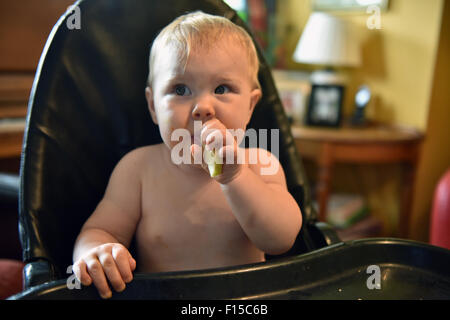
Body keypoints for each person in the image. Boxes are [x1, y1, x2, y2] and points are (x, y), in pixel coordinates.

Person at [72, 11, 302, 299]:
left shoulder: (260, 163)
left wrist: (236, 176)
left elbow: (281, 240)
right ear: (153, 106)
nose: (203, 107)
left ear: (250, 106)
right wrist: (97, 251)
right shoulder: (137, 170)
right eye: (180, 89)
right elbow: (100, 230)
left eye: (222, 88)